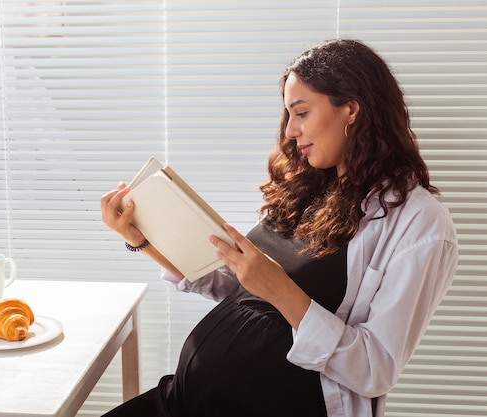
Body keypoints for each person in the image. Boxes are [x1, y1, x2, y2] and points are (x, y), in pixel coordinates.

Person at [100, 38, 458, 417]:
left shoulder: (420, 222)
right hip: (184, 399)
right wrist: (141, 240)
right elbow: (234, 288)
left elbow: (375, 368)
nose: (289, 130)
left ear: (351, 109)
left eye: (301, 113)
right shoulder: (307, 188)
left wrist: (280, 289)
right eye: (288, 114)